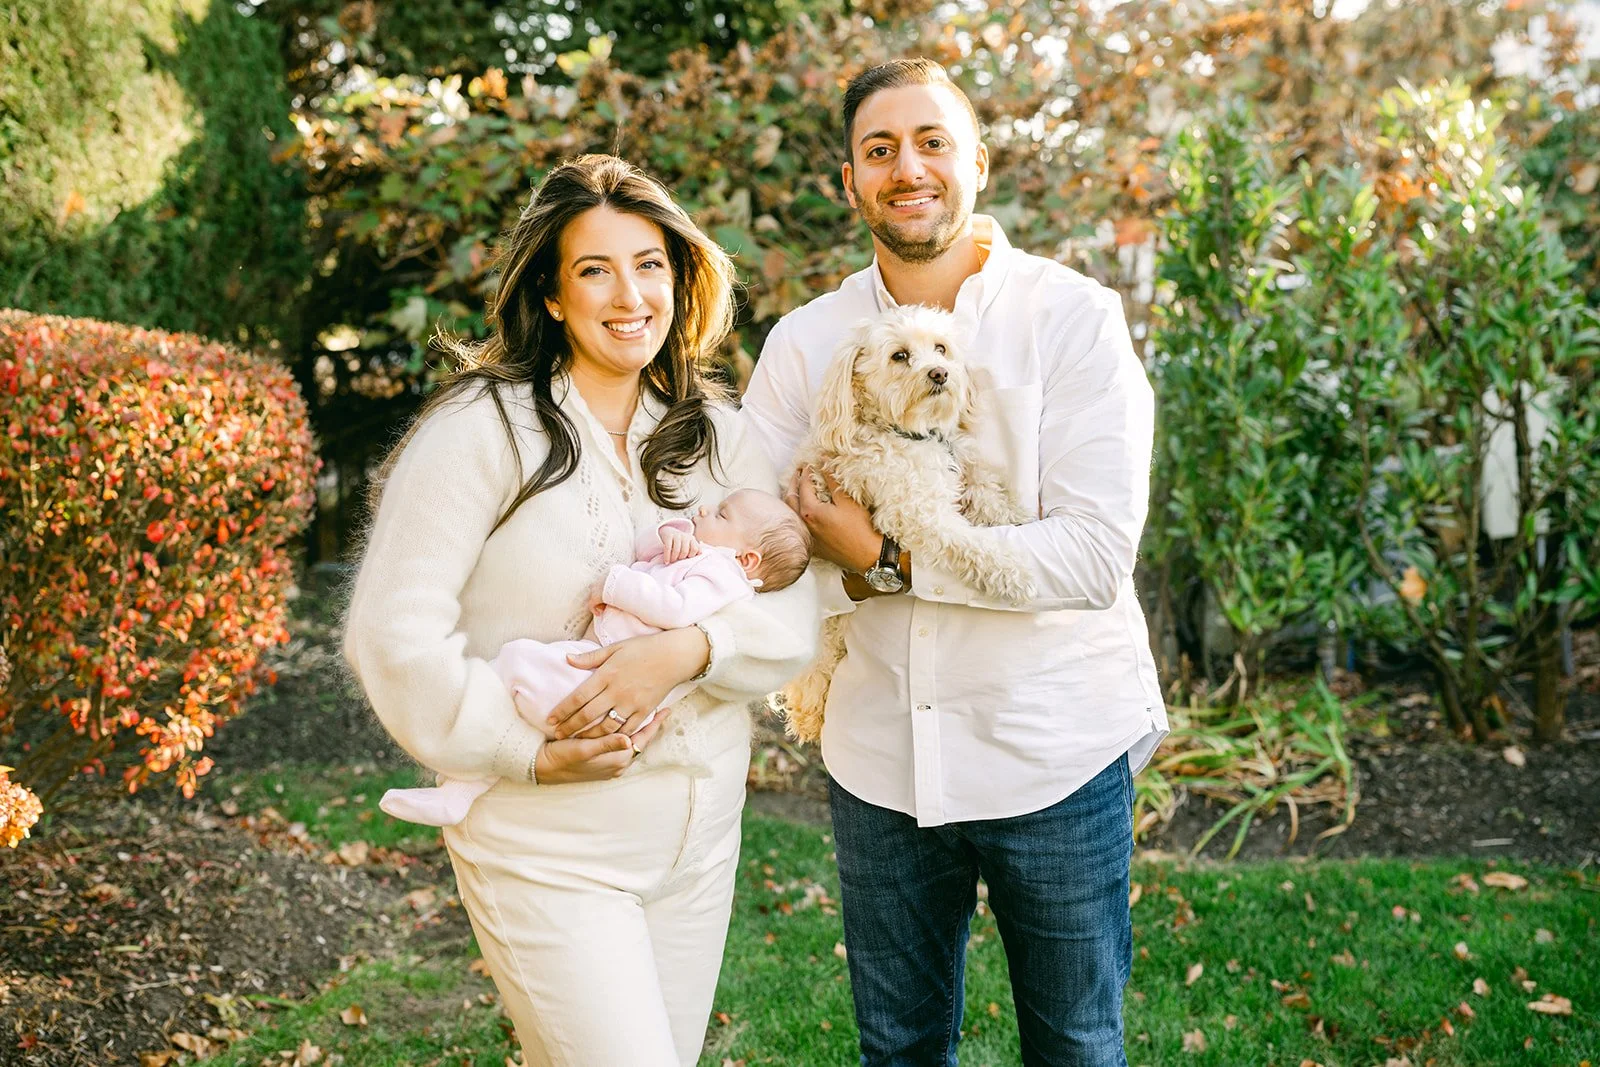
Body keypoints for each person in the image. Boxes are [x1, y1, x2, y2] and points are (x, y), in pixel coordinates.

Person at [344, 154, 817, 1067]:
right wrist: (520, 747)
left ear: (679, 281)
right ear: (553, 297)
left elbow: (791, 611)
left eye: (650, 264)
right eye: (594, 269)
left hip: (700, 841)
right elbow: (391, 634)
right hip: (545, 846)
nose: (628, 293)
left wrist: (688, 649)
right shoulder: (480, 429)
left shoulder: (716, 433)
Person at [741, 59, 1168, 1066]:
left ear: (976, 159)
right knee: (896, 1049)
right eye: (879, 149)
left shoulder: (1072, 318)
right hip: (879, 756)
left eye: (932, 141)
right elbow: (754, 518)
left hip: (1053, 749)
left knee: (1075, 1047)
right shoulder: (807, 345)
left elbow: (1093, 553)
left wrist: (884, 558)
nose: (908, 167)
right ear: (851, 180)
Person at [377, 489, 811, 827]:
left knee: (515, 663)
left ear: (748, 558)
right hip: (597, 666)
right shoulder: (702, 554)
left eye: (721, 515)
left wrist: (614, 585)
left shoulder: (723, 577)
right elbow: (646, 551)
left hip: (606, 684)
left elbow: (673, 608)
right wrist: (669, 534)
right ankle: (461, 790)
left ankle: (457, 756)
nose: (703, 512)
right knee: (519, 701)